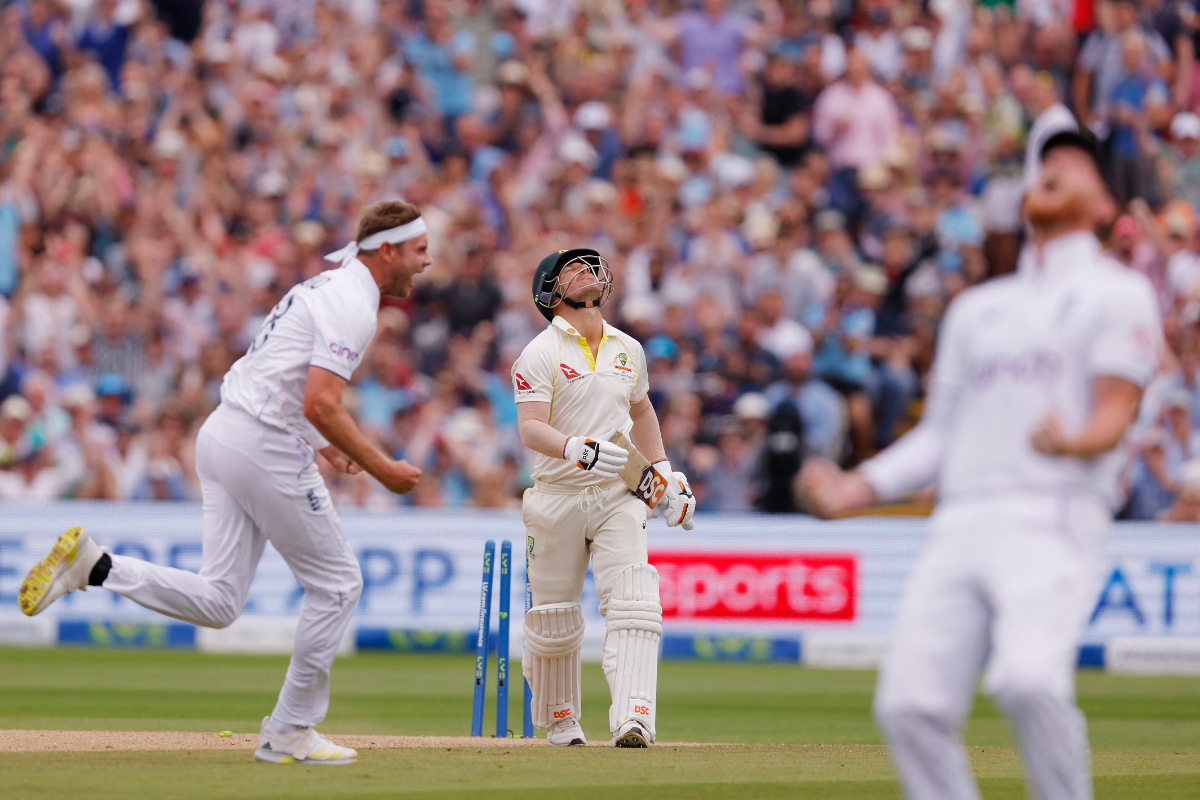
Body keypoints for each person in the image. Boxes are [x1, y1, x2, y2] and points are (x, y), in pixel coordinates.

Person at [799, 126, 1162, 800]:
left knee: (1026, 680)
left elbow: (1117, 409)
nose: (1049, 169)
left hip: (1053, 509)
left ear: (1107, 203)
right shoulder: (977, 310)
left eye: (1071, 163)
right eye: (1042, 161)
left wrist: (1076, 441)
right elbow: (938, 437)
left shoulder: (1119, 293)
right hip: (960, 518)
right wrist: (857, 485)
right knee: (908, 707)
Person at [18, 200, 431, 766]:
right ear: (388, 251)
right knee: (337, 587)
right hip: (261, 444)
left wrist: (325, 445)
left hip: (223, 435)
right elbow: (320, 402)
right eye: (420, 250)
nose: (427, 262)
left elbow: (286, 384)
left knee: (219, 602)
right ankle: (290, 730)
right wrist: (383, 468)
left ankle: (95, 566)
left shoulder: (326, 287)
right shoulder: (352, 301)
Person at [513, 248, 695, 748]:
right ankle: (562, 718)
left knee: (635, 601)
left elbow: (642, 414)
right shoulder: (539, 353)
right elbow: (530, 427)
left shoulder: (627, 348)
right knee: (553, 617)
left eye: (591, 265)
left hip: (619, 492)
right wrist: (574, 448)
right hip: (557, 496)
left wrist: (663, 473)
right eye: (574, 268)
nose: (589, 272)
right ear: (550, 292)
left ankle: (634, 717)